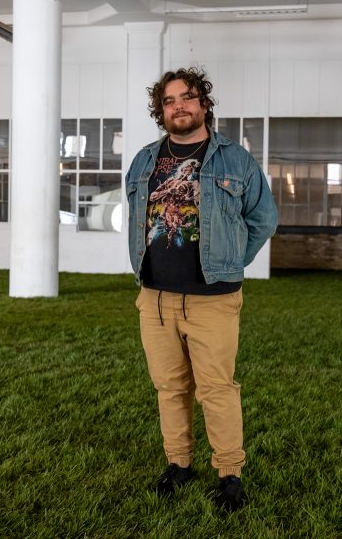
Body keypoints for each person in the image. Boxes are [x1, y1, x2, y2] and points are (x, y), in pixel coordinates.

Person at [125, 67, 278, 512]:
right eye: (170, 101)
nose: (179, 106)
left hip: (214, 298)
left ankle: (229, 473)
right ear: (162, 111)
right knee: (170, 388)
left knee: (217, 388)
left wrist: (230, 261)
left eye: (187, 97)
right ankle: (179, 464)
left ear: (204, 104)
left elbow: (263, 219)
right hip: (154, 298)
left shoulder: (235, 160)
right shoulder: (144, 160)